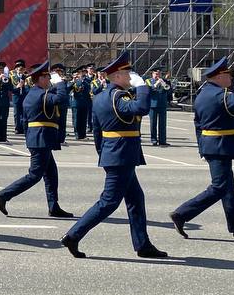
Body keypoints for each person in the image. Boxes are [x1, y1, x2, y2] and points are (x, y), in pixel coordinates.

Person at [61, 51, 167, 260]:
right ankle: (73, 235)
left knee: (136, 199)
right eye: (127, 74)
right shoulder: (118, 96)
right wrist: (143, 86)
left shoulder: (100, 97)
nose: (130, 77)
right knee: (108, 201)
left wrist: (104, 153)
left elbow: (98, 132)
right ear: (117, 77)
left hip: (115, 153)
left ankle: (142, 244)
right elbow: (142, 108)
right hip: (121, 155)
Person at [170, 56, 234, 240]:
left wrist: (202, 147)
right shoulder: (222, 95)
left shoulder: (204, 94)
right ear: (219, 77)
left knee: (228, 187)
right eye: (228, 75)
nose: (231, 78)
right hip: (221, 146)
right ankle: (182, 213)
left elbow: (197, 124)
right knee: (219, 187)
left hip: (211, 145)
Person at [0, 61, 72, 218]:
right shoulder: (40, 95)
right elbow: (61, 99)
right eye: (48, 76)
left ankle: (53, 206)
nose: (50, 79)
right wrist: (61, 82)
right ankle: (4, 195)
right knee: (35, 175)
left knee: (51, 174)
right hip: (40, 139)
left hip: (39, 138)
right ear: (40, 78)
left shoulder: (35, 93)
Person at [147, 67, 171, 146]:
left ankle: (162, 140)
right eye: (156, 74)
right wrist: (156, 84)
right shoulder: (148, 81)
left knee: (163, 124)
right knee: (153, 124)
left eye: (159, 74)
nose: (158, 75)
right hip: (153, 105)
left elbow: (169, 90)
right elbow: (149, 90)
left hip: (162, 104)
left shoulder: (165, 81)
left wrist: (164, 83)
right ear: (152, 74)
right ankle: (154, 140)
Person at [70, 64, 90, 141]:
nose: (84, 73)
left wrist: (82, 80)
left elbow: (88, 87)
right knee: (77, 119)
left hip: (85, 102)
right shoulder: (74, 80)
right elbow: (68, 88)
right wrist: (74, 81)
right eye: (82, 72)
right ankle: (77, 134)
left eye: (84, 72)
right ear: (78, 72)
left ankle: (83, 134)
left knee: (84, 119)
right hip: (76, 102)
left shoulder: (87, 80)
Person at [11, 59, 28, 135]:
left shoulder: (26, 77)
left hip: (24, 96)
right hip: (16, 97)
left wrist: (24, 85)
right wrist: (18, 87)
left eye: (22, 68)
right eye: (18, 68)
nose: (20, 69)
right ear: (15, 69)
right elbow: (11, 88)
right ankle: (17, 128)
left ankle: (23, 128)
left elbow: (28, 88)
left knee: (24, 113)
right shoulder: (13, 77)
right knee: (17, 113)